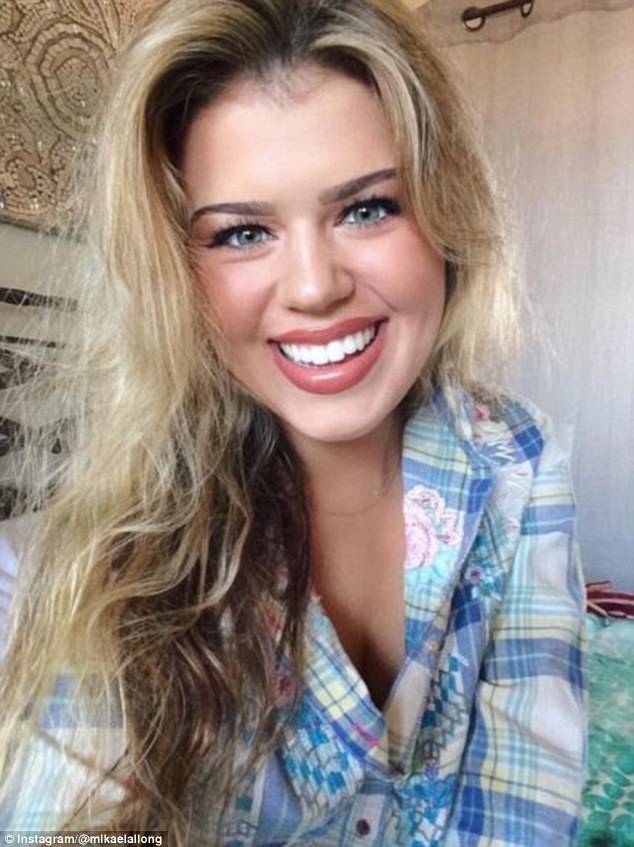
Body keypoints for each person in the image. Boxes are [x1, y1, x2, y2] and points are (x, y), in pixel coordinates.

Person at [0, 0, 586, 844]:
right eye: (243, 232)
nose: (314, 287)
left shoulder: (517, 457)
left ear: (445, 214)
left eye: (367, 209)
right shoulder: (103, 563)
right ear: (176, 275)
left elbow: (523, 805)